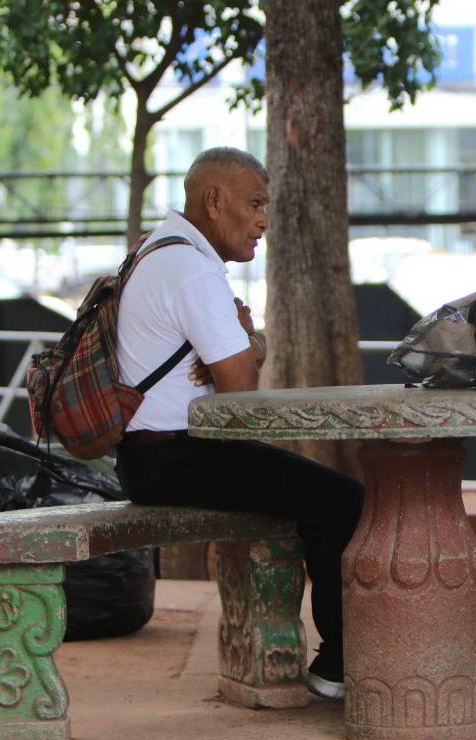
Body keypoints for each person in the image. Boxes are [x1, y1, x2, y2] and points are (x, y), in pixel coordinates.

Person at [113, 147, 363, 702]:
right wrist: (250, 343)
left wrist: (249, 344)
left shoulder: (154, 249)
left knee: (315, 492)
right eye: (254, 204)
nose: (263, 222)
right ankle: (342, 662)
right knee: (344, 501)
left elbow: (238, 367)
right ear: (214, 200)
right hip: (177, 457)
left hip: (149, 456)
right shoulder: (193, 269)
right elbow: (240, 393)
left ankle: (339, 654)